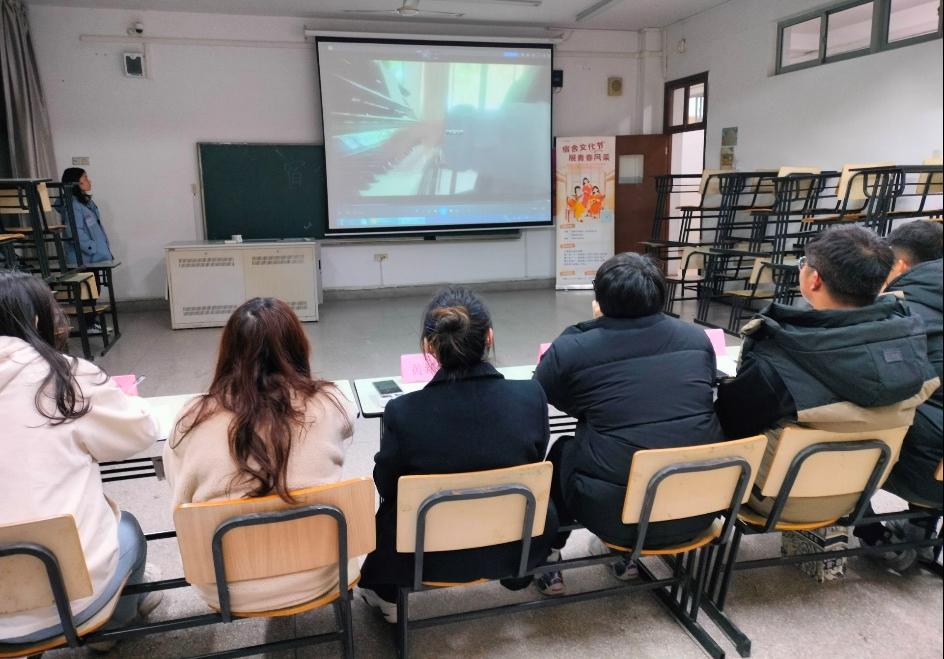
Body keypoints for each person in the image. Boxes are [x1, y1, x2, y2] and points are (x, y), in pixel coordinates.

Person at [358, 287, 558, 622]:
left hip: (424, 557)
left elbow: (386, 485)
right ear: (489, 337)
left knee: (391, 512)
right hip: (513, 548)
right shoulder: (530, 396)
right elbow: (535, 460)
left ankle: (387, 595)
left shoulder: (404, 412)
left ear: (429, 346)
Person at [715, 225, 939, 522]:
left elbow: (728, 424)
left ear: (814, 279)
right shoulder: (911, 348)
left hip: (774, 500)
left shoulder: (779, 358)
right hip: (860, 492)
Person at [534, 252, 724, 593]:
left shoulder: (574, 346)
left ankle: (548, 555)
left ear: (599, 299)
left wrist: (592, 406)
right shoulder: (697, 339)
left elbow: (542, 391)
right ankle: (625, 557)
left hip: (616, 516)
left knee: (563, 451)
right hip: (699, 508)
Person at [164, 297, 358, 612]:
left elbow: (180, 494)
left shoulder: (192, 418)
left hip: (225, 585)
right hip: (322, 573)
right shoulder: (330, 402)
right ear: (298, 348)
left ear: (229, 352)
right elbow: (347, 431)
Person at [0, 270, 160, 645]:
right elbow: (139, 433)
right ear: (36, 318)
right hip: (68, 597)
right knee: (129, 528)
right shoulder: (66, 378)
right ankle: (110, 628)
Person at [853, 220, 943, 568]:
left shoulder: (898, 313)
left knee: (835, 414)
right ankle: (922, 531)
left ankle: (871, 532)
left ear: (900, 265)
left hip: (925, 470)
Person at [58, 167, 114, 267]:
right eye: (85, 178)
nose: (89, 181)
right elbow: (74, 231)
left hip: (95, 257)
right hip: (85, 259)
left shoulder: (85, 203)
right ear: (75, 182)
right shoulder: (74, 205)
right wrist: (92, 247)